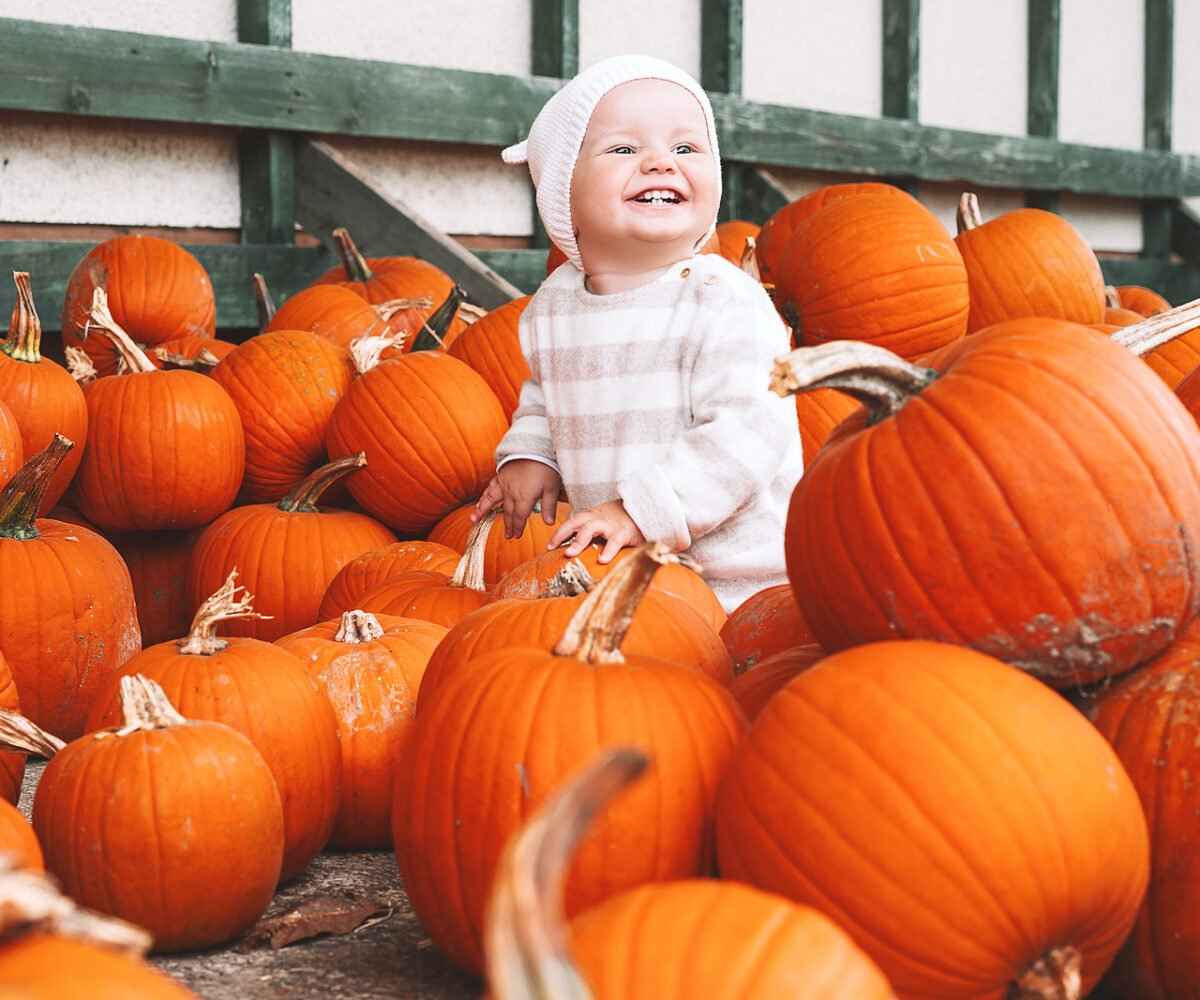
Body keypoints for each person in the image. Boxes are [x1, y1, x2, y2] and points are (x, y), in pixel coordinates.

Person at [472, 54, 803, 611]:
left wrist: (640, 511)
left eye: (686, 148)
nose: (660, 164)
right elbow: (546, 395)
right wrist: (530, 456)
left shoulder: (722, 299)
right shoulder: (555, 306)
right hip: (624, 573)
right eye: (625, 149)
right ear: (562, 195)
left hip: (739, 585)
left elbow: (749, 430)